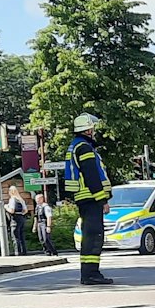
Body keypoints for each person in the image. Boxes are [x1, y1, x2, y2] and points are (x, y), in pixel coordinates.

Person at [66, 113, 114, 285]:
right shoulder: (84, 147)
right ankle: (90, 274)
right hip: (91, 198)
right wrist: (102, 200)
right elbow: (91, 175)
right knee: (94, 236)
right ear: (87, 130)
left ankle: (89, 273)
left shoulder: (76, 146)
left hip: (85, 198)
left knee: (89, 235)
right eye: (92, 128)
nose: (94, 131)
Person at [5, 185, 31, 256]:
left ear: (11, 192)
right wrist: (21, 213)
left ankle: (18, 252)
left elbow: (12, 210)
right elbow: (25, 210)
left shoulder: (12, 199)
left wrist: (6, 207)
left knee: (15, 236)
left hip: (15, 219)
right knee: (21, 236)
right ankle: (24, 251)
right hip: (21, 218)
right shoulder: (21, 199)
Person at [34, 191, 59, 256]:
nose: (37, 201)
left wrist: (48, 226)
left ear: (42, 199)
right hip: (39, 223)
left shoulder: (46, 207)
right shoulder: (37, 207)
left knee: (46, 239)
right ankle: (46, 252)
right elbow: (36, 217)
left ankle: (53, 251)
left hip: (44, 223)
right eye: (36, 199)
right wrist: (35, 226)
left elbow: (49, 217)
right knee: (41, 239)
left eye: (38, 199)